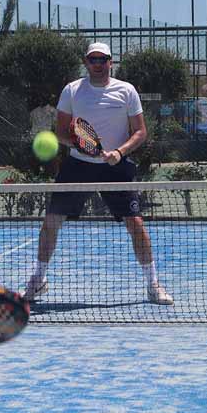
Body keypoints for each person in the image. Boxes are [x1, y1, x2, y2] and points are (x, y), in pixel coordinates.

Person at [23, 41, 174, 306]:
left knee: (135, 224)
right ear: (86, 62)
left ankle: (153, 285)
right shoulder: (72, 91)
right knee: (51, 221)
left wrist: (119, 152)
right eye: (93, 60)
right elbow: (61, 132)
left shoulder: (126, 91)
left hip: (116, 166)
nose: (98, 65)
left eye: (103, 60)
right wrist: (82, 146)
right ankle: (39, 278)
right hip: (77, 166)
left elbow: (140, 132)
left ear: (110, 62)